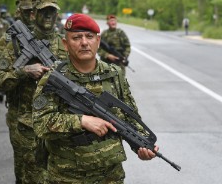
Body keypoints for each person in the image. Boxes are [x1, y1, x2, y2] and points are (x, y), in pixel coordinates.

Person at [32, 13, 158, 183]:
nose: (84, 42)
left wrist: (141, 145)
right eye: (76, 37)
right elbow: (40, 124)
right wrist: (81, 121)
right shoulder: (54, 77)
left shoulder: (114, 74)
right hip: (66, 176)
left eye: (89, 37)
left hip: (110, 175)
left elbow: (130, 117)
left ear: (98, 41)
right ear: (65, 43)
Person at [0, 0, 67, 183]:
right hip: (25, 125)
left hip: (59, 125)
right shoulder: (12, 42)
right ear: (33, 13)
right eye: (44, 11)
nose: (48, 15)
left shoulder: (66, 43)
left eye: (52, 11)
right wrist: (23, 71)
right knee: (28, 177)